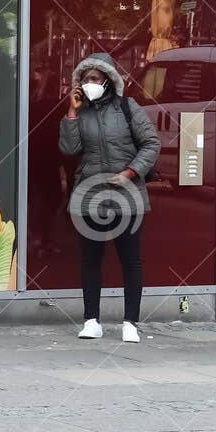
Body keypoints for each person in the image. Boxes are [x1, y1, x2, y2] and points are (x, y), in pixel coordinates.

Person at [59, 51, 161, 344]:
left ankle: (131, 322)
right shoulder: (81, 111)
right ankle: (91, 320)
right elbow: (69, 148)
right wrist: (72, 112)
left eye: (94, 78)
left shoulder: (128, 107)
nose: (88, 83)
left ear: (107, 80)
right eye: (84, 78)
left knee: (131, 260)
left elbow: (151, 144)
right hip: (90, 194)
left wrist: (130, 172)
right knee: (91, 259)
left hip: (126, 194)